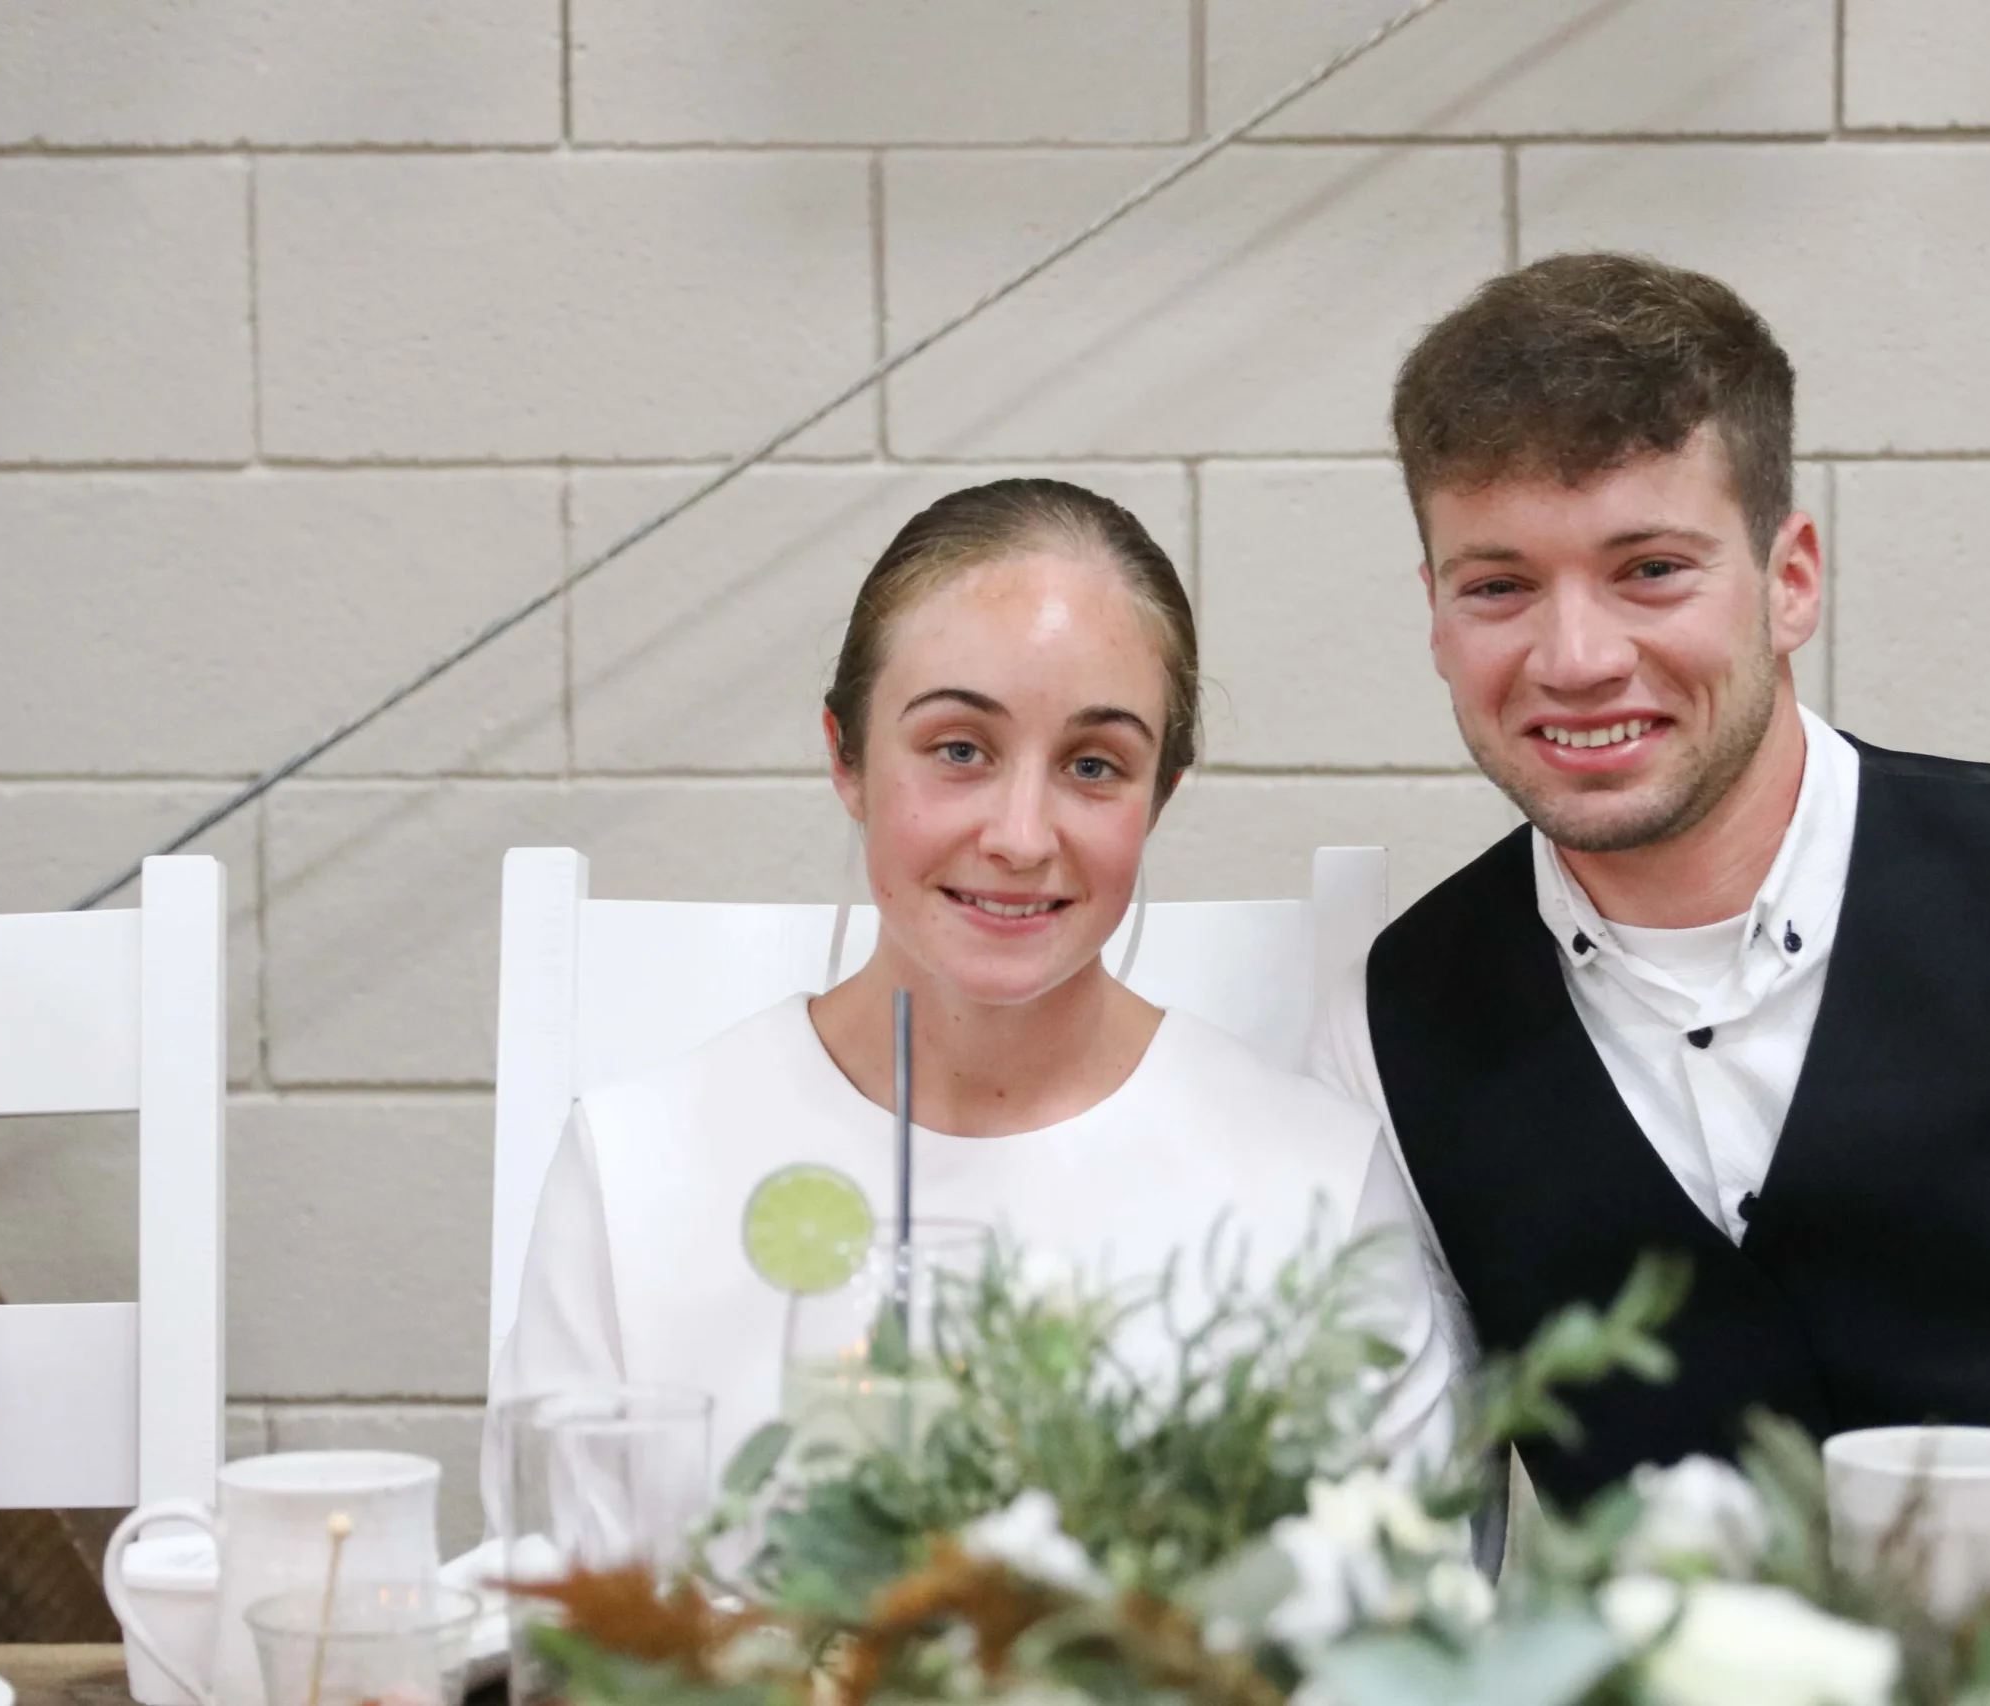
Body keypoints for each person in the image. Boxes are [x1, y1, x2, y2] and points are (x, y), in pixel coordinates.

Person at [1314, 253, 1990, 1557]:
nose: (1575, 658)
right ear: (1435, 615)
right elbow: (1399, 1582)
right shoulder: (1392, 1022)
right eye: (1499, 585)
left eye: (1649, 568)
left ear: (1791, 576)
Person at [494, 477, 1449, 1476]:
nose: (1021, 836)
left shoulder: (1317, 1187)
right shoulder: (632, 1168)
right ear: (846, 757)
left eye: (1093, 765)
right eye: (959, 748)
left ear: (1159, 791)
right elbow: (553, 1596)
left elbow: (1402, 1604)